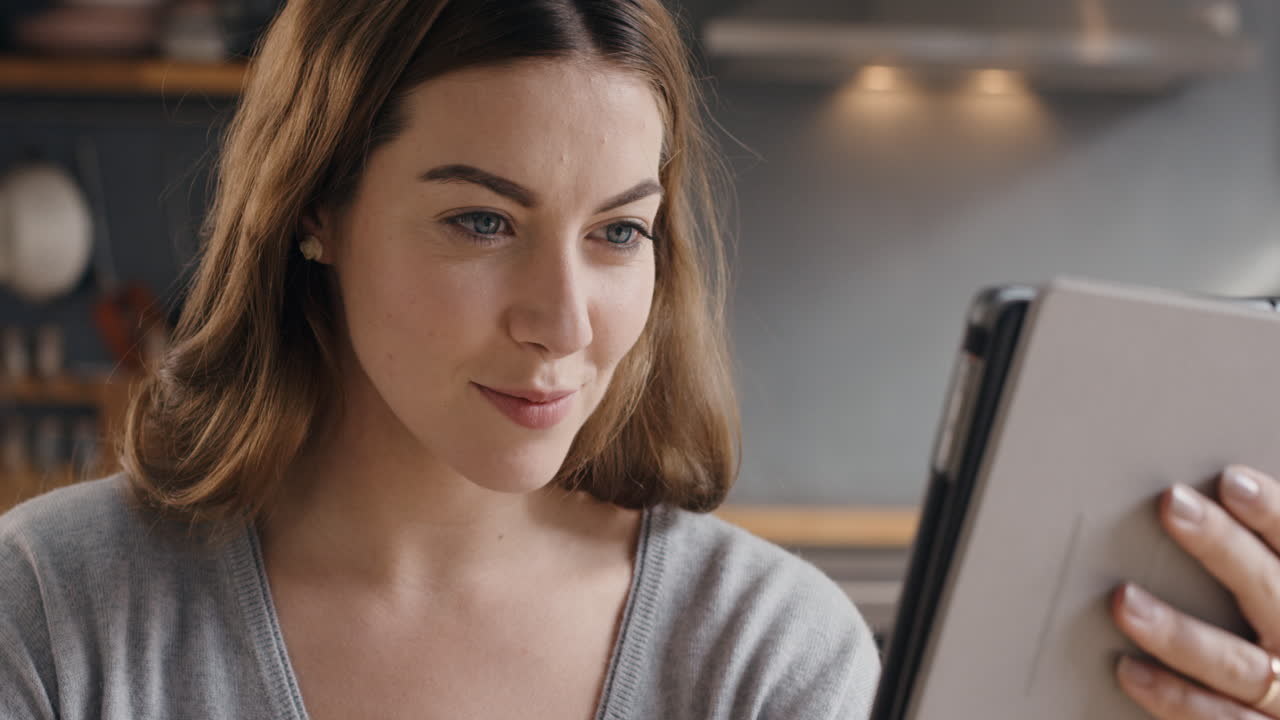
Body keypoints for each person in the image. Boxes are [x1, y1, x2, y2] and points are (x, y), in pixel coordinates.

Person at [0, 1, 880, 718]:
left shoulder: (772, 659)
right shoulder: (51, 615)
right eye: (483, 222)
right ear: (317, 210)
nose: (564, 324)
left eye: (618, 232)